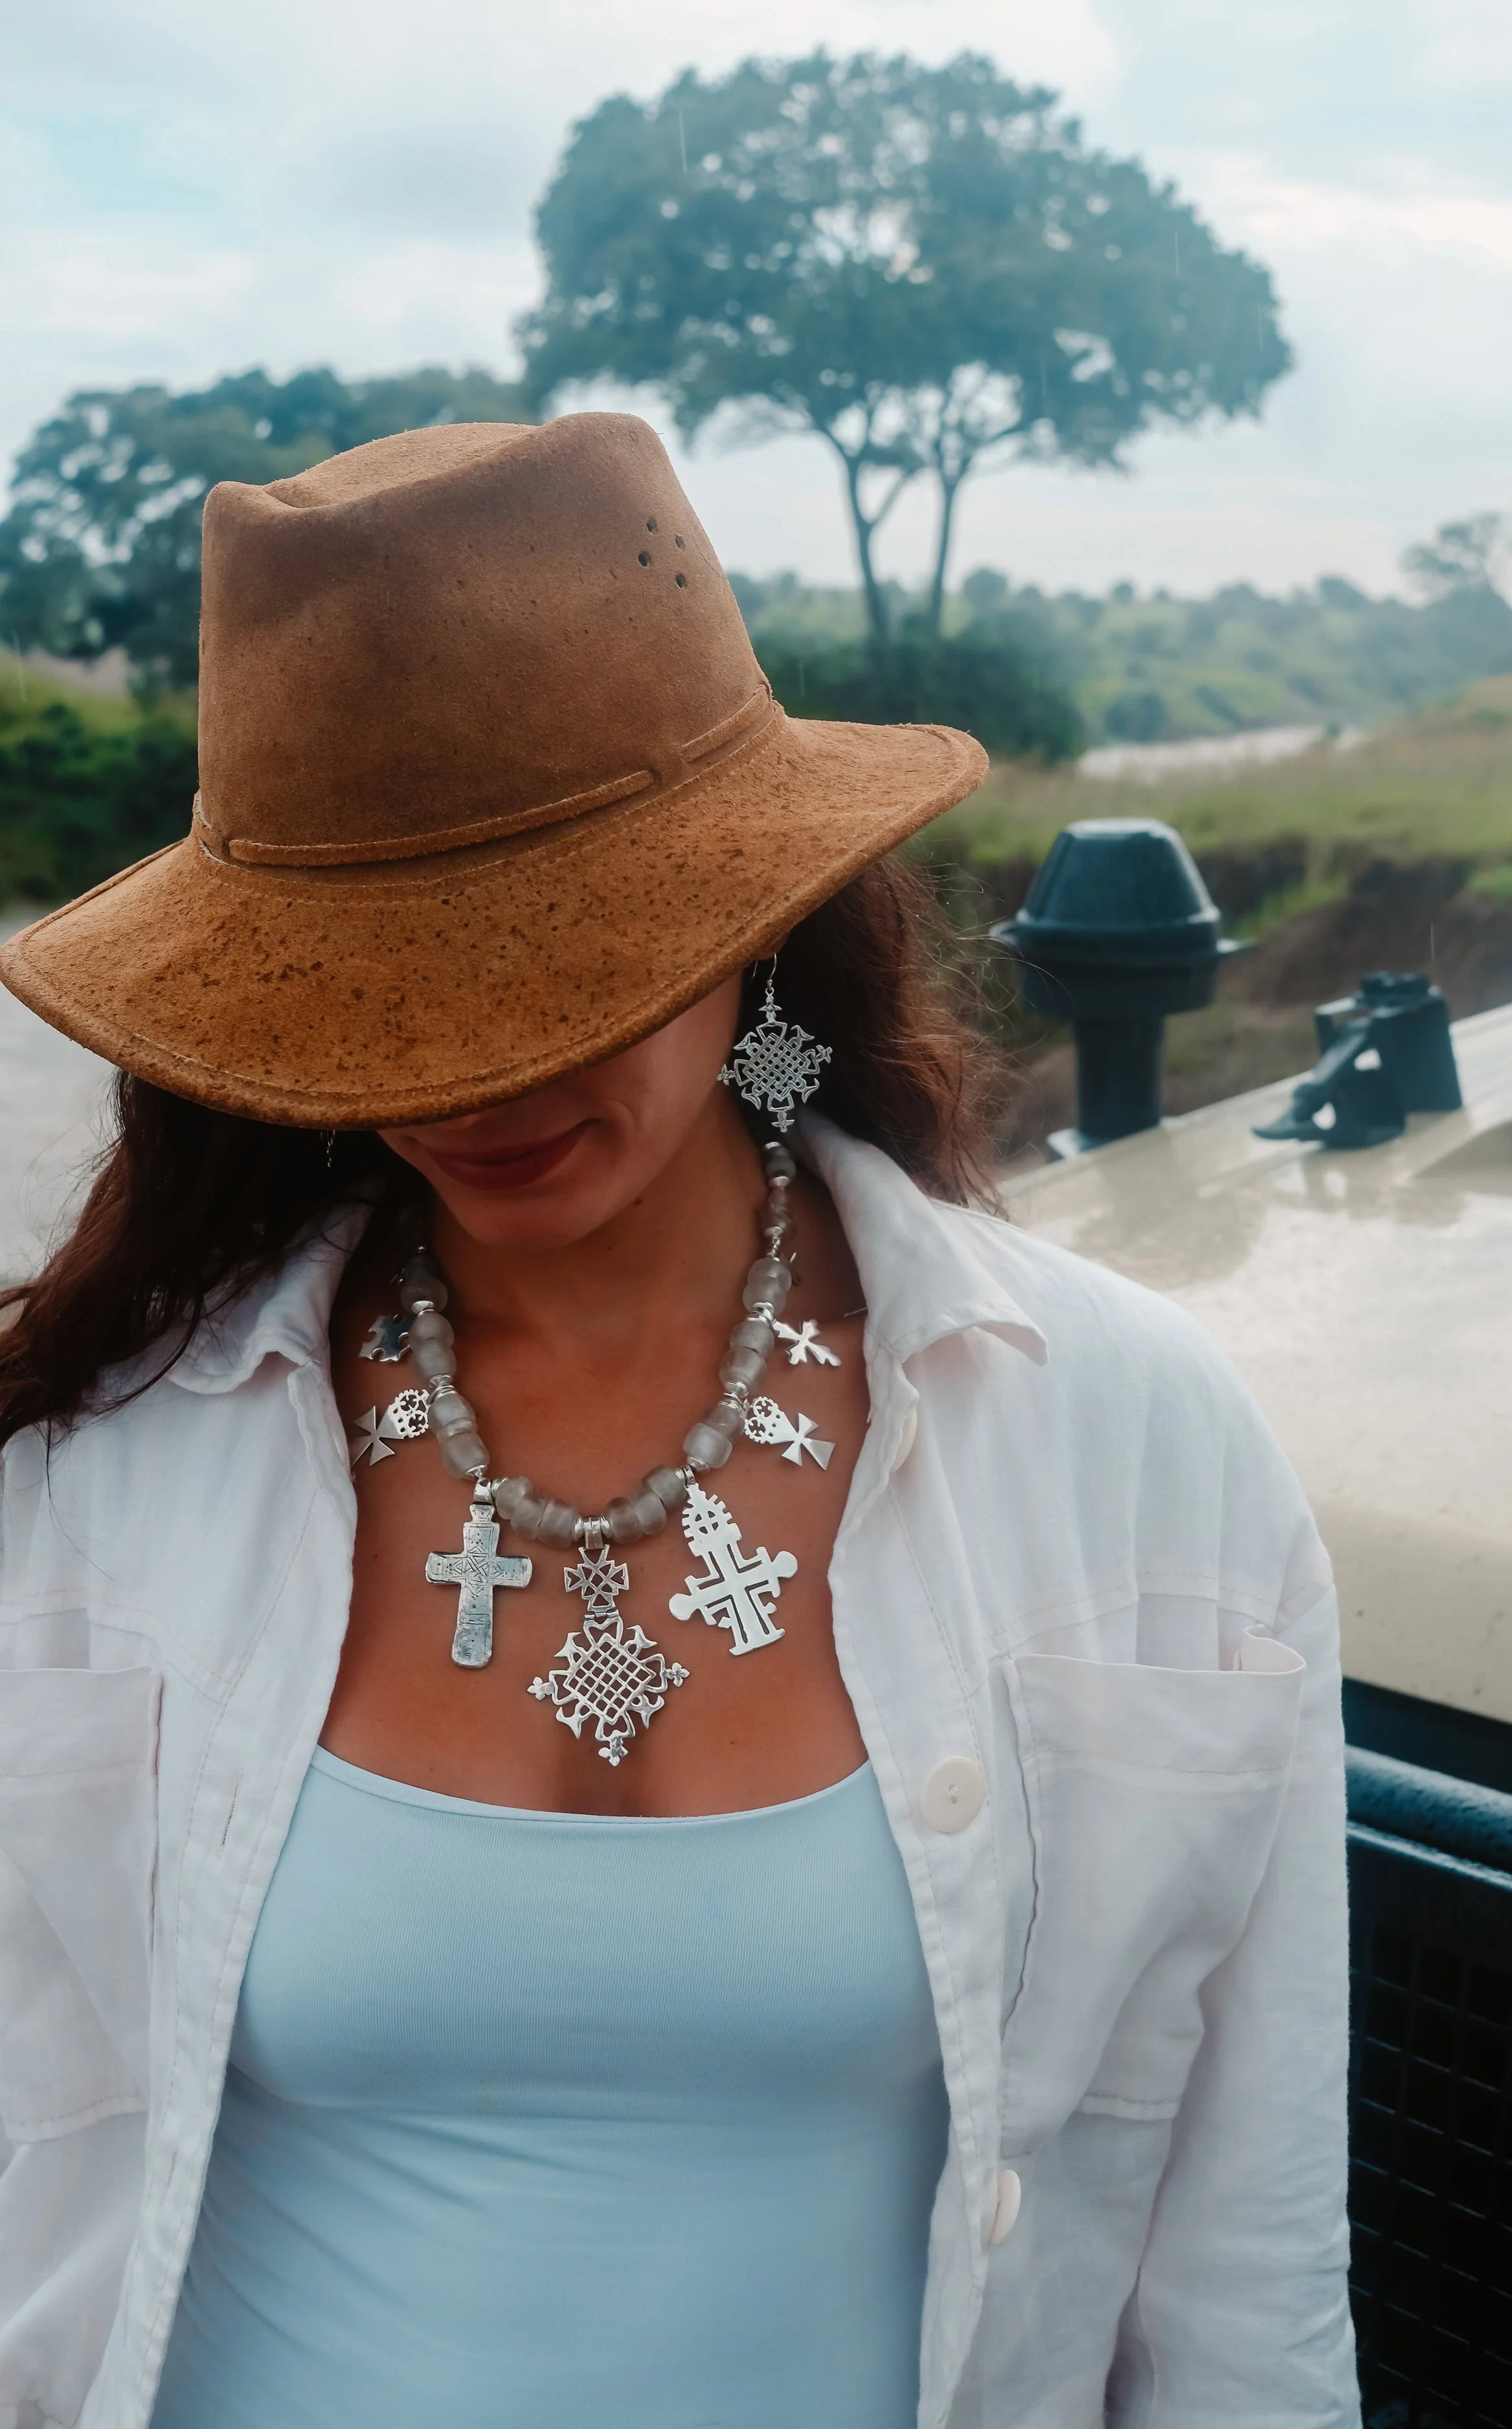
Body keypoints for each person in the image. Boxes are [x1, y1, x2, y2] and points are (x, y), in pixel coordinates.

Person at [0, 415, 1357, 2429]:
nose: (474, 1075)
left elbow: (1245, 2269)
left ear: (753, 919)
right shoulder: (95, 1465)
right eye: (373, 995)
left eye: (567, 964)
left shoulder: (1132, 1444)